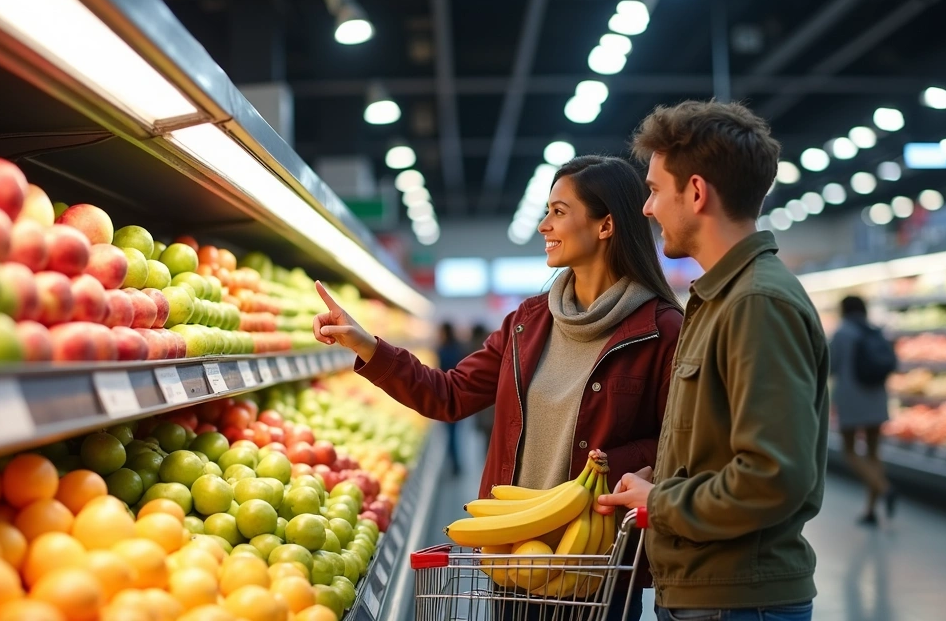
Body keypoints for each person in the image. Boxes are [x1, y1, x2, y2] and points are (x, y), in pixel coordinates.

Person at [312, 155, 683, 619]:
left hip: (594, 567)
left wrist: (616, 463)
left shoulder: (662, 331)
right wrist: (367, 345)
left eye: (559, 212)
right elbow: (447, 394)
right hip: (513, 556)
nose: (544, 225)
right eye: (546, 211)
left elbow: (682, 448)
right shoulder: (526, 323)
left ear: (606, 225)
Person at [600, 100, 829, 621]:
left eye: (655, 190)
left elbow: (771, 476)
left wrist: (657, 504)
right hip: (712, 592)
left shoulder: (755, 304)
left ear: (697, 192)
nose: (647, 209)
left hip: (738, 600)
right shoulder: (720, 298)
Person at [830, 295, 896, 525]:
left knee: (849, 451)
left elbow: (830, 366)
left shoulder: (842, 334)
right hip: (877, 398)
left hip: (851, 399)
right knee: (873, 453)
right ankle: (870, 510)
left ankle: (883, 488)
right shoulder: (875, 331)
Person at [436, 322, 466, 475]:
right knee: (455, 433)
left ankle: (453, 463)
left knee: (450, 434)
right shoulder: (459, 348)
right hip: (458, 396)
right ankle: (456, 464)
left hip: (444, 396)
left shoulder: (441, 349)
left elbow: (439, 373)